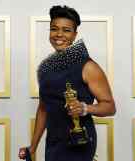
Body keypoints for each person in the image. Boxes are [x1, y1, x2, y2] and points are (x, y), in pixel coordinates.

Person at [19, 5, 116, 161]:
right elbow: (44, 109)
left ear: (75, 34)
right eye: (54, 29)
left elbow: (110, 107)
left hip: (79, 141)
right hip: (53, 142)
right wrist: (33, 146)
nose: (59, 34)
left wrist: (85, 108)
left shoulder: (88, 67)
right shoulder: (45, 68)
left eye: (66, 30)